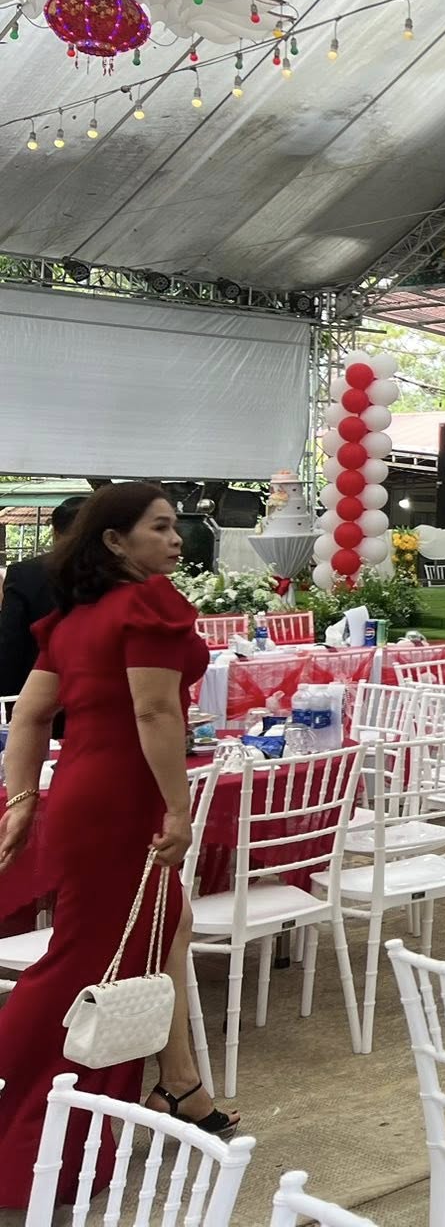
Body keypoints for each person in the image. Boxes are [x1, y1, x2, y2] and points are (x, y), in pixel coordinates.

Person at [0, 483, 237, 1207]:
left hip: (83, 793)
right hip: (122, 803)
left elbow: (29, 717)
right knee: (86, 964)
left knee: (149, 932)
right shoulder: (146, 605)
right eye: (159, 527)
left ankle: (174, 1083)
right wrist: (178, 808)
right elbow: (155, 709)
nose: (176, 539)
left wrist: (22, 801)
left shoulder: (77, 616)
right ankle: (36, 1098)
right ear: (114, 540)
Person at [0, 494, 86, 701]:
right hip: (95, 692)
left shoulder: (25, 574)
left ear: (55, 532)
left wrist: (8, 695)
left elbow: (10, 640)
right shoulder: (120, 575)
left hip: (33, 689)